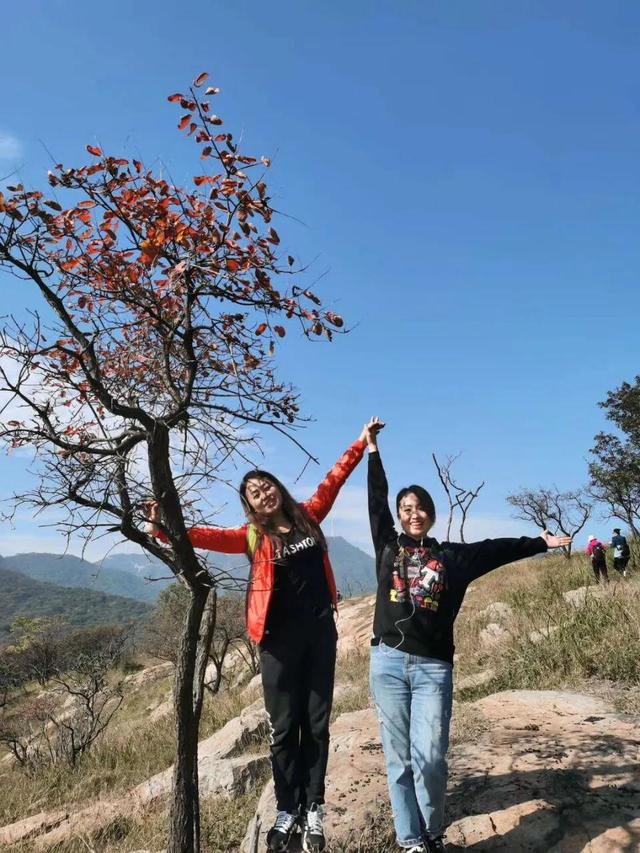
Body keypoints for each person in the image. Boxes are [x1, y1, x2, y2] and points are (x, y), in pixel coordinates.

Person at [148, 423, 374, 853]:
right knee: (284, 728)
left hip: (320, 633)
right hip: (276, 642)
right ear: (249, 504)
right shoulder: (251, 536)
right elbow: (203, 536)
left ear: (278, 489)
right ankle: (287, 808)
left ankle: (314, 808)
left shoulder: (309, 516)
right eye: (254, 492)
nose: (263, 493)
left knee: (318, 725)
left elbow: (334, 478)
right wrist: (163, 528)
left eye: (266, 485)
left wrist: (359, 444)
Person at [364, 419, 571, 853]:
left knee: (432, 760)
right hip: (386, 664)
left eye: (419, 506)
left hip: (433, 667)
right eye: (406, 507)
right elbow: (376, 502)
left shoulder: (452, 559)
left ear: (431, 514)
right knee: (399, 760)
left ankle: (433, 831)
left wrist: (538, 541)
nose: (412, 512)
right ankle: (410, 841)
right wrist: (373, 451)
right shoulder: (387, 546)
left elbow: (494, 549)